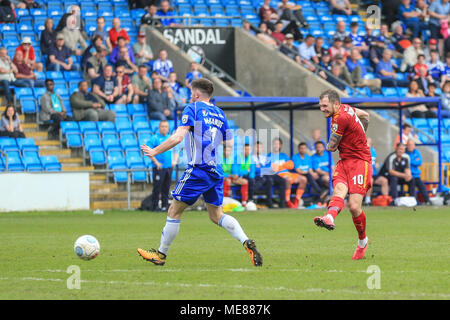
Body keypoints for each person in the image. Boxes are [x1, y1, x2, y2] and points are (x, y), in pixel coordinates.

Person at [137, 78, 263, 267]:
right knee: (216, 215)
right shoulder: (220, 114)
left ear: (196, 94)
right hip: (215, 170)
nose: (189, 96)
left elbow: (178, 137)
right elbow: (228, 142)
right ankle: (246, 241)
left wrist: (155, 151)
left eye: (190, 92)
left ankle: (161, 254)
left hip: (199, 169)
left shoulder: (193, 108)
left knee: (174, 210)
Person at [313, 89, 372, 260]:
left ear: (335, 104)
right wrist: (361, 133)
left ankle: (363, 241)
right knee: (339, 190)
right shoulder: (347, 109)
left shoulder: (340, 118)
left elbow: (331, 147)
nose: (322, 109)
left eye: (325, 106)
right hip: (345, 161)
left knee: (354, 206)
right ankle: (330, 217)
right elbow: (365, 115)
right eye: (321, 106)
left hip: (361, 162)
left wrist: (355, 139)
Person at [148, 120, 178, 212]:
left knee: (166, 187)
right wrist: (156, 162)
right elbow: (148, 150)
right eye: (163, 126)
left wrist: (175, 161)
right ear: (159, 128)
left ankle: (165, 206)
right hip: (159, 167)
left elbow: (176, 151)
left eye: (166, 126)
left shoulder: (170, 138)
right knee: (157, 187)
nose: (164, 128)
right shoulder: (154, 138)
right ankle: (155, 206)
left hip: (169, 167)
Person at [268, 138, 306, 208]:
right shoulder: (269, 156)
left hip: (288, 173)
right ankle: (287, 200)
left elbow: (291, 165)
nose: (276, 146)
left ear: (281, 145)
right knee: (288, 179)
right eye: (275, 144)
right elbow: (272, 168)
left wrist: (279, 166)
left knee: (303, 179)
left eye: (278, 144)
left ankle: (297, 199)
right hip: (278, 175)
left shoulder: (284, 155)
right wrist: (284, 165)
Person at [250, 140, 287, 208]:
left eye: (260, 147)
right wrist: (262, 167)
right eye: (257, 147)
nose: (258, 149)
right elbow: (254, 169)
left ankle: (282, 203)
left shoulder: (264, 157)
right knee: (269, 180)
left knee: (282, 181)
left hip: (268, 174)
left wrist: (260, 166)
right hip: (259, 176)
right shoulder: (251, 157)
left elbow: (269, 167)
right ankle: (269, 203)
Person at [406, 139, 431, 204]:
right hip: (408, 176)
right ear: (407, 146)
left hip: (416, 175)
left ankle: (427, 201)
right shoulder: (405, 153)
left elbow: (419, 162)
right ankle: (414, 202)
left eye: (412, 145)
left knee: (422, 187)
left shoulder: (417, 152)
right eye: (409, 145)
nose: (410, 146)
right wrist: (414, 161)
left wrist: (410, 161)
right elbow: (407, 162)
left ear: (414, 146)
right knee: (412, 187)